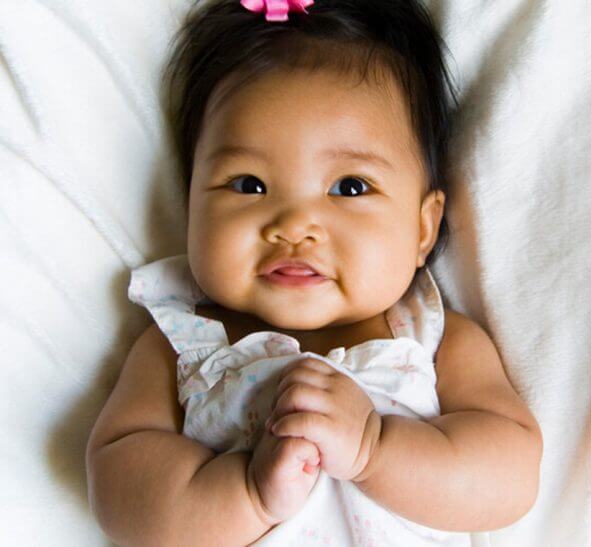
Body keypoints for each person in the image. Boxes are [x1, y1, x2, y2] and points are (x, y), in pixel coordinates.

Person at [85, 0, 543, 545]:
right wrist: (248, 495)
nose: (296, 225)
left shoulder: (433, 339)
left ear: (423, 228)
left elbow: (510, 477)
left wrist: (375, 448)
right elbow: (121, 490)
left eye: (349, 187)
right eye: (248, 184)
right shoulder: (181, 345)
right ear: (191, 206)